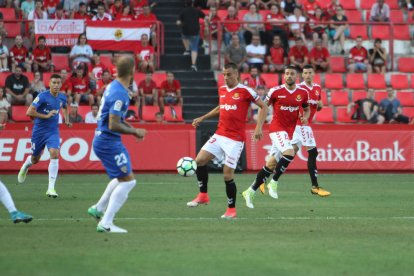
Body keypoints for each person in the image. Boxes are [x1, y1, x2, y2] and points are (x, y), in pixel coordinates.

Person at [186, 62, 268, 219]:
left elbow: (264, 106)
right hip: (219, 134)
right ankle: (203, 195)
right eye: (224, 74)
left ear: (236, 74)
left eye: (229, 74)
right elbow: (221, 107)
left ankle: (231, 209)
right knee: (200, 160)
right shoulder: (222, 89)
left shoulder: (245, 91)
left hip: (235, 140)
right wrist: (203, 117)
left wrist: (258, 128)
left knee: (227, 175)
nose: (226, 77)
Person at [87, 55, 147, 233]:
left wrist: (132, 128)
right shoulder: (120, 93)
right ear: (132, 71)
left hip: (105, 139)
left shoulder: (112, 86)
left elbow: (115, 119)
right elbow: (113, 123)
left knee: (121, 176)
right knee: (128, 182)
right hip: (108, 141)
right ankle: (106, 223)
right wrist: (135, 131)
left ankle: (98, 208)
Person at [241, 65, 310, 208]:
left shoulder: (303, 93)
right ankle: (274, 182)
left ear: (296, 77)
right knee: (290, 152)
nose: (289, 76)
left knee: (271, 164)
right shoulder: (275, 91)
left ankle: (250, 191)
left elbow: (306, 108)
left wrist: (306, 117)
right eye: (287, 74)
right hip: (276, 129)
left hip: (289, 132)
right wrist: (258, 127)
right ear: (284, 76)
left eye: (292, 74)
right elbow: (263, 107)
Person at [17, 74, 71, 198]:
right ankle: (26, 165)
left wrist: (67, 119)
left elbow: (65, 107)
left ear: (61, 84)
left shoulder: (62, 97)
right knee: (35, 159)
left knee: (54, 153)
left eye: (58, 83)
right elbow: (29, 112)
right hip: (39, 132)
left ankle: (51, 188)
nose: (56, 85)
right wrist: (46, 116)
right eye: (54, 83)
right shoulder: (42, 96)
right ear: (49, 84)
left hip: (53, 131)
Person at [177, 0, 205, 71]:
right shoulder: (197, 10)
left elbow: (178, 22)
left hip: (186, 31)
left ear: (185, 4)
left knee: (183, 35)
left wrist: (179, 23)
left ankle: (187, 49)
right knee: (194, 48)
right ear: (192, 3)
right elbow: (206, 17)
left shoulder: (183, 11)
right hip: (195, 32)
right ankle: (193, 65)